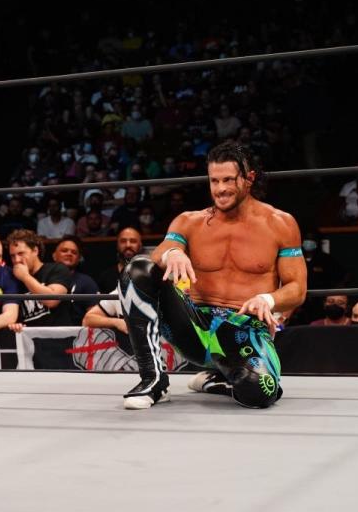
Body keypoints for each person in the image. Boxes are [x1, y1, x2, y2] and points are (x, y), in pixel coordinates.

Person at [118, 141, 306, 409]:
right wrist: (173, 253)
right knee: (137, 268)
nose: (220, 189)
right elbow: (158, 254)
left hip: (243, 329)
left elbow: (297, 289)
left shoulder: (280, 224)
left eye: (228, 180)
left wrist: (268, 299)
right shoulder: (190, 221)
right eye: (214, 181)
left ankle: (219, 378)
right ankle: (153, 379)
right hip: (194, 327)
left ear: (249, 178)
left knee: (259, 392)